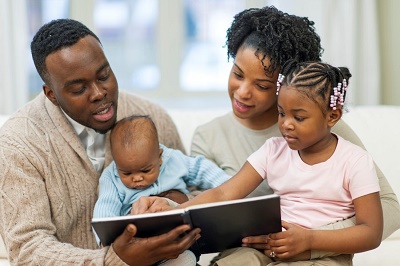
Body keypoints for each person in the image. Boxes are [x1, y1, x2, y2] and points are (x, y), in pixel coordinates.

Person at [189, 5, 400, 260]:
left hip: (311, 250)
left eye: (262, 85)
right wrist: (169, 210)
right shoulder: (209, 137)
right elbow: (211, 206)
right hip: (253, 251)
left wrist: (309, 240)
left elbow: (387, 211)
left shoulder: (325, 132)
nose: (243, 92)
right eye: (237, 73)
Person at [135, 60, 384, 265]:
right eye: (281, 112)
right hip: (269, 246)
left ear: (332, 115)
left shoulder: (355, 161)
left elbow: (371, 232)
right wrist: (175, 212)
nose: (285, 124)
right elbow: (224, 192)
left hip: (324, 253)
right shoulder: (273, 150)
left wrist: (308, 241)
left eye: (298, 117)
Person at [0, 18, 200, 265]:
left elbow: (195, 192)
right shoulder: (18, 142)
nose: (98, 93)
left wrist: (175, 201)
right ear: (51, 94)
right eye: (78, 89)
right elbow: (28, 249)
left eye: (103, 75)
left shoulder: (152, 116)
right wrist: (113, 260)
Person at [93, 115, 231, 263]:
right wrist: (106, 242)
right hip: (141, 244)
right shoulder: (111, 177)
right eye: (126, 173)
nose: (137, 178)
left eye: (146, 171)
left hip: (181, 235)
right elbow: (105, 209)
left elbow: (201, 168)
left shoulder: (173, 160)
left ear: (159, 157)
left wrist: (226, 184)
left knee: (189, 255)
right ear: (116, 162)